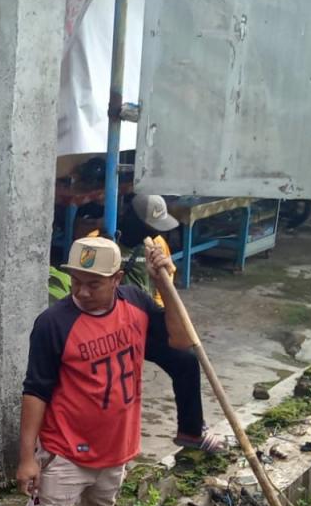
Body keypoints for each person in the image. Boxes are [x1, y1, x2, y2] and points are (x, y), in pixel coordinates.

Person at [13, 236, 192, 506]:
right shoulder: (53, 324)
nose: (81, 291)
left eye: (93, 283)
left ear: (117, 279)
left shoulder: (135, 303)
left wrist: (163, 283)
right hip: (64, 450)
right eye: (76, 280)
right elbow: (35, 390)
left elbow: (182, 339)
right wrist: (27, 457)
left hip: (116, 444)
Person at [86, 190, 224, 454]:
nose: (154, 232)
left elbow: (164, 288)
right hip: (107, 323)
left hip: (144, 315)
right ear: (132, 220)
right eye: (149, 226)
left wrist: (164, 311)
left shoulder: (157, 245)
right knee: (110, 377)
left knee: (185, 360)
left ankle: (191, 431)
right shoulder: (98, 242)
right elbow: (82, 286)